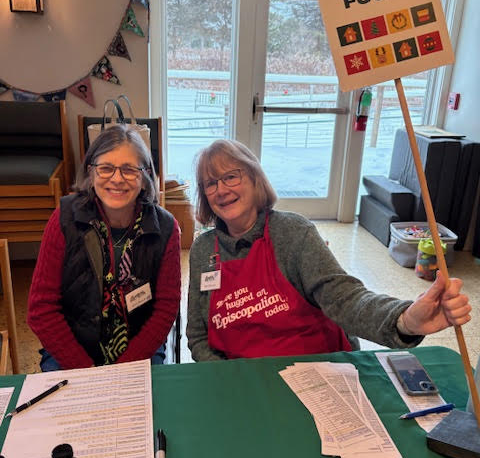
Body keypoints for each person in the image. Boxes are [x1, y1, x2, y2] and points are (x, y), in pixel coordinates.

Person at [187, 139, 471, 361]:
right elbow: (198, 337)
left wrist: (405, 320)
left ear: (254, 179)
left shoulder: (292, 232)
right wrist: (225, 377)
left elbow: (345, 298)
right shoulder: (203, 249)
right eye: (210, 183)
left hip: (313, 368)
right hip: (243, 379)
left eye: (231, 177)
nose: (221, 190)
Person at [28, 125, 181, 370]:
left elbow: (165, 309)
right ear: (91, 173)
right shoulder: (63, 220)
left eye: (129, 169)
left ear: (144, 178)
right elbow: (41, 309)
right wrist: (86, 371)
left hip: (139, 348)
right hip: (72, 349)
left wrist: (123, 370)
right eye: (106, 168)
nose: (117, 179)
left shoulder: (166, 228)